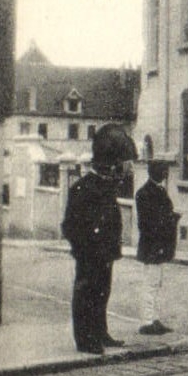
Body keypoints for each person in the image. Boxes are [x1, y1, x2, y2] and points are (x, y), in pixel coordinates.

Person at [61, 124, 135, 355]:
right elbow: (69, 226)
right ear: (109, 165)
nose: (121, 171)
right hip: (89, 254)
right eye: (118, 166)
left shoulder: (105, 187)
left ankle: (100, 333)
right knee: (86, 293)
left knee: (103, 292)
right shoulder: (82, 189)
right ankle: (85, 340)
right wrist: (83, 249)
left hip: (105, 253)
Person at [134, 159, 180, 335]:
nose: (165, 174)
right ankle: (147, 321)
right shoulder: (145, 193)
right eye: (163, 171)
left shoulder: (157, 191)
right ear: (154, 172)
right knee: (150, 284)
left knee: (156, 284)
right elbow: (147, 223)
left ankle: (154, 319)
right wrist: (171, 219)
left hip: (158, 246)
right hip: (153, 246)